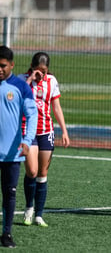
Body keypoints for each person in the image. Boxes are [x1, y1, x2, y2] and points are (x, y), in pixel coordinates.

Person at [18, 52, 70, 227]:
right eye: (37, 70)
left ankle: (39, 214)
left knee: (42, 173)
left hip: (46, 130)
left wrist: (64, 131)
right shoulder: (21, 79)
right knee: (31, 171)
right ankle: (28, 209)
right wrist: (30, 78)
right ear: (32, 67)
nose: (41, 73)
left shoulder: (52, 81)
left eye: (44, 70)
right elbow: (17, 98)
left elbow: (56, 106)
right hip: (28, 130)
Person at [0, 46, 38, 248]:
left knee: (10, 194)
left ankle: (6, 234)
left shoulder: (21, 87)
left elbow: (33, 116)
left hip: (11, 153)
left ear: (11, 65)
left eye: (3, 66)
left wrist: (27, 140)